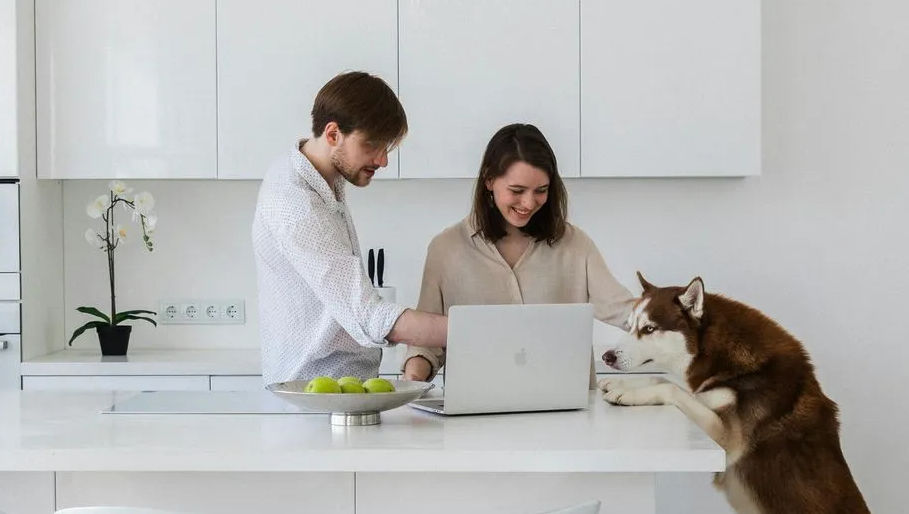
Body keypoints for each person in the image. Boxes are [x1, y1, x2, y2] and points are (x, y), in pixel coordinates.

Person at [253, 71, 448, 384]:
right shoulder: (295, 204)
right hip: (314, 395)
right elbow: (369, 316)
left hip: (339, 389)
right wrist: (473, 330)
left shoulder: (321, 180)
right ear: (333, 134)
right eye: (372, 145)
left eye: (387, 147)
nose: (382, 160)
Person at [401, 123, 632, 383]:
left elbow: (625, 311)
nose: (529, 203)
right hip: (476, 411)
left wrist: (680, 311)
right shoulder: (446, 249)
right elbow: (426, 343)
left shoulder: (575, 244)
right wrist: (413, 378)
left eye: (541, 191)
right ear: (489, 180)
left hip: (567, 413)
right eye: (517, 191)